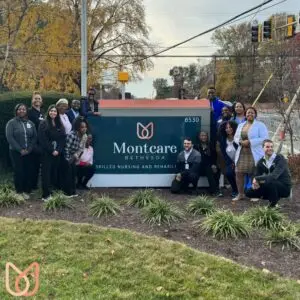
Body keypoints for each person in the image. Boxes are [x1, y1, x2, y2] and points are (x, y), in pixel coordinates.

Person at [233, 107, 269, 201]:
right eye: (248, 113)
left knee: (254, 173)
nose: (250, 114)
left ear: (255, 114)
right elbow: (236, 137)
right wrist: (240, 142)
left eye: (252, 113)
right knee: (238, 173)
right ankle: (240, 194)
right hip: (242, 153)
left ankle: (255, 195)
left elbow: (264, 138)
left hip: (254, 153)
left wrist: (250, 142)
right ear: (245, 114)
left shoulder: (260, 125)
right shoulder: (241, 125)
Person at [245, 139, 292, 207]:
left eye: (271, 147)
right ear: (262, 148)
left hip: (284, 187)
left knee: (271, 181)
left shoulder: (280, 158)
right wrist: (255, 183)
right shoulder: (261, 162)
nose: (270, 148)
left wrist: (257, 178)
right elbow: (256, 174)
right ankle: (272, 197)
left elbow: (274, 176)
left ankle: (272, 205)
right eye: (267, 147)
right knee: (248, 192)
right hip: (270, 185)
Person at [5, 104, 37, 199]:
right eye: (19, 109)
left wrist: (29, 149)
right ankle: (19, 191)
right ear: (16, 111)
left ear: (26, 111)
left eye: (23, 109)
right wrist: (20, 150)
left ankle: (27, 190)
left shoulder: (30, 123)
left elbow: (34, 137)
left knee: (28, 170)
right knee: (19, 171)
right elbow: (10, 138)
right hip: (15, 152)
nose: (22, 111)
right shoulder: (11, 123)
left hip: (28, 151)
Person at [38, 105, 66, 201]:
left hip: (57, 153)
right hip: (47, 153)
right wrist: (52, 150)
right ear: (48, 112)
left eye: (55, 111)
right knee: (46, 174)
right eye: (51, 111)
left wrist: (58, 150)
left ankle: (52, 191)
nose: (53, 113)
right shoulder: (43, 123)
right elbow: (43, 139)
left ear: (57, 113)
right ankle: (45, 195)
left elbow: (62, 139)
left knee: (54, 173)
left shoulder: (59, 124)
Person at [63, 118, 88, 197]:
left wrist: (76, 158)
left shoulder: (85, 136)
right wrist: (68, 160)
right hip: (66, 156)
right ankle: (67, 193)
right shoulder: (72, 135)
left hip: (74, 156)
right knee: (68, 174)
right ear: (78, 127)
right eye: (82, 127)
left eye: (85, 127)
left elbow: (81, 149)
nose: (84, 129)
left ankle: (73, 191)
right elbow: (66, 148)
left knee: (73, 174)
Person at [194, 132, 221, 196]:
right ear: (199, 137)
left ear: (207, 137)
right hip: (200, 167)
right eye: (202, 135)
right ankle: (215, 191)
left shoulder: (211, 145)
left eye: (205, 135)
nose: (203, 137)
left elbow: (214, 157)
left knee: (217, 169)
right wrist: (211, 165)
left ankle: (214, 189)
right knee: (209, 169)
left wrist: (214, 164)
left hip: (210, 165)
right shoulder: (196, 146)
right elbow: (199, 159)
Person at [27, 91, 44, 190]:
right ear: (32, 100)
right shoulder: (29, 112)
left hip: (40, 142)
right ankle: (30, 186)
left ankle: (34, 186)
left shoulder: (42, 112)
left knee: (37, 164)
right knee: (31, 165)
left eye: (39, 98)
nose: (37, 100)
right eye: (35, 98)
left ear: (41, 101)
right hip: (32, 142)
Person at [220, 121, 238, 197]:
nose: (228, 129)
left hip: (240, 161)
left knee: (238, 173)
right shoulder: (223, 140)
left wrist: (235, 162)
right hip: (229, 161)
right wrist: (231, 163)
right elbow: (224, 153)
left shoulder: (238, 138)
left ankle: (241, 190)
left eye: (230, 127)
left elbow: (241, 151)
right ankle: (235, 189)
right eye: (226, 128)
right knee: (228, 173)